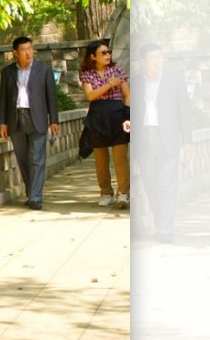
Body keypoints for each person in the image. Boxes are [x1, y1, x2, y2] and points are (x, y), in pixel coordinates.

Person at [134, 43, 192, 240]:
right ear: (142, 62)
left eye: (159, 57)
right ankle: (162, 223)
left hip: (167, 137)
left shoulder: (174, 80)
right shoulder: (136, 83)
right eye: (152, 58)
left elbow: (184, 111)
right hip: (144, 138)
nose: (157, 62)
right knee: (151, 185)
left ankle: (165, 229)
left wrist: (187, 140)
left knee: (168, 184)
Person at [0, 36, 61, 210]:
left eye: (30, 48)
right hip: (16, 119)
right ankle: (31, 192)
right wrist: (3, 122)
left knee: (37, 159)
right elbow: (3, 98)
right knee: (23, 160)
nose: (28, 53)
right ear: (15, 53)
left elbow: (51, 97)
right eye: (24, 50)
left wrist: (54, 120)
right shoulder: (8, 72)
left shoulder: (44, 70)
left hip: (38, 119)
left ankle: (35, 197)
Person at [77, 39, 131, 207]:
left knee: (120, 157)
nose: (108, 55)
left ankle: (123, 193)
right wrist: (109, 84)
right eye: (104, 53)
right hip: (98, 118)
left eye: (109, 52)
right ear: (93, 56)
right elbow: (91, 95)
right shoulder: (87, 74)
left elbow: (127, 95)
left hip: (117, 116)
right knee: (100, 159)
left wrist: (128, 114)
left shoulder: (117, 71)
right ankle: (106, 192)